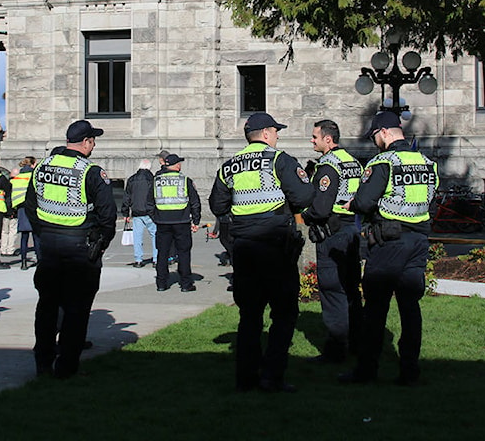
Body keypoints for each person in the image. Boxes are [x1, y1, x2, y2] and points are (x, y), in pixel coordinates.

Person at [208, 112, 315, 393]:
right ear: (266, 134)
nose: (278, 136)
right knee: (284, 312)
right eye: (276, 131)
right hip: (275, 243)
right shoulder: (279, 160)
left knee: (250, 314)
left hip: (244, 245)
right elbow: (304, 196)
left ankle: (246, 378)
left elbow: (217, 205)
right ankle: (272, 377)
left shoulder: (229, 166)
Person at [339, 110, 438, 387]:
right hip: (418, 241)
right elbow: (431, 201)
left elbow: (367, 201)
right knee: (410, 308)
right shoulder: (426, 162)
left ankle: (366, 371)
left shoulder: (384, 161)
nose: (374, 143)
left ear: (383, 132)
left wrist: (353, 204)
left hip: (389, 242)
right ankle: (409, 371)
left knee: (375, 310)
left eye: (374, 137)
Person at [25, 119, 117, 378]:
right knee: (76, 310)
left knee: (47, 307)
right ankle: (66, 367)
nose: (94, 144)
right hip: (79, 246)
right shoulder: (90, 171)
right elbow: (107, 215)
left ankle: (42, 362)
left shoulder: (42, 165)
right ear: (86, 142)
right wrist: (99, 244)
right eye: (93, 140)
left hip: (49, 245)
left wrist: (42, 233)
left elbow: (30, 206)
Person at [301, 119, 365, 363]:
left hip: (332, 232)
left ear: (328, 139)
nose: (312, 140)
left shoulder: (328, 165)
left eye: (315, 136)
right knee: (351, 289)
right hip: (351, 230)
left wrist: (305, 216)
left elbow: (321, 206)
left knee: (331, 289)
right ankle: (357, 343)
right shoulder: (353, 162)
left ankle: (336, 349)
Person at [147, 154, 202, 292]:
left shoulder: (156, 180)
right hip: (182, 222)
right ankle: (185, 284)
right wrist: (196, 221)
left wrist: (156, 217)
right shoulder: (184, 180)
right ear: (177, 165)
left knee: (162, 253)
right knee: (183, 253)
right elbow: (195, 202)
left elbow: (149, 204)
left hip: (162, 222)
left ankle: (161, 284)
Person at [121, 159, 158, 267]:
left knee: (137, 236)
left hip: (136, 211)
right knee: (155, 235)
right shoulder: (152, 179)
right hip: (150, 211)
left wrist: (126, 213)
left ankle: (138, 259)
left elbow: (127, 197)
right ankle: (156, 259)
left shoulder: (132, 179)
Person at [10, 156, 38, 269]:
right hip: (33, 207)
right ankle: (39, 259)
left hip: (21, 207)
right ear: (32, 164)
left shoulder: (18, 177)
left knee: (24, 236)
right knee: (36, 235)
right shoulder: (33, 175)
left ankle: (23, 262)